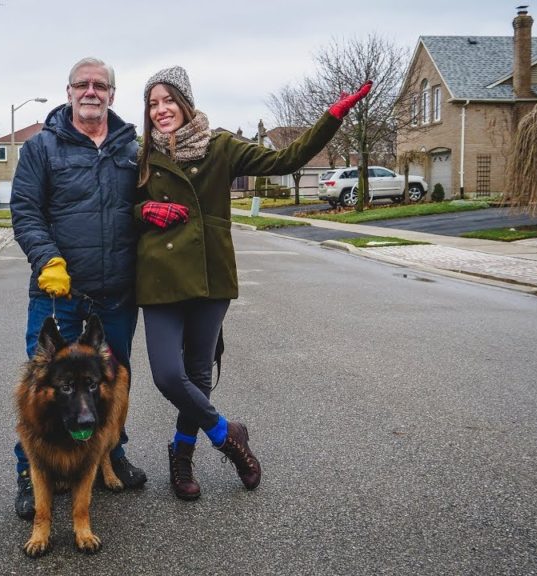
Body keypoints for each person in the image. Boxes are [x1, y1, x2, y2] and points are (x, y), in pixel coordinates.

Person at [134, 65, 371, 501]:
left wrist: (331, 116)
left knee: (198, 373)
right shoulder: (142, 157)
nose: (160, 110)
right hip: (160, 278)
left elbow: (286, 161)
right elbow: (120, 207)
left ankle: (182, 455)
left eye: (168, 100)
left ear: (186, 102)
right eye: (153, 103)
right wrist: (142, 212)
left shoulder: (220, 146)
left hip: (210, 275)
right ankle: (229, 436)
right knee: (169, 374)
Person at [10, 57, 147, 520]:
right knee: (44, 384)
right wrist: (47, 258)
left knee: (110, 383)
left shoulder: (132, 148)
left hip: (116, 296)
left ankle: (112, 452)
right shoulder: (41, 148)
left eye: (100, 85)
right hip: (59, 294)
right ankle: (32, 473)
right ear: (68, 92)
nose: (92, 91)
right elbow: (26, 211)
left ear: (112, 93)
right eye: (82, 85)